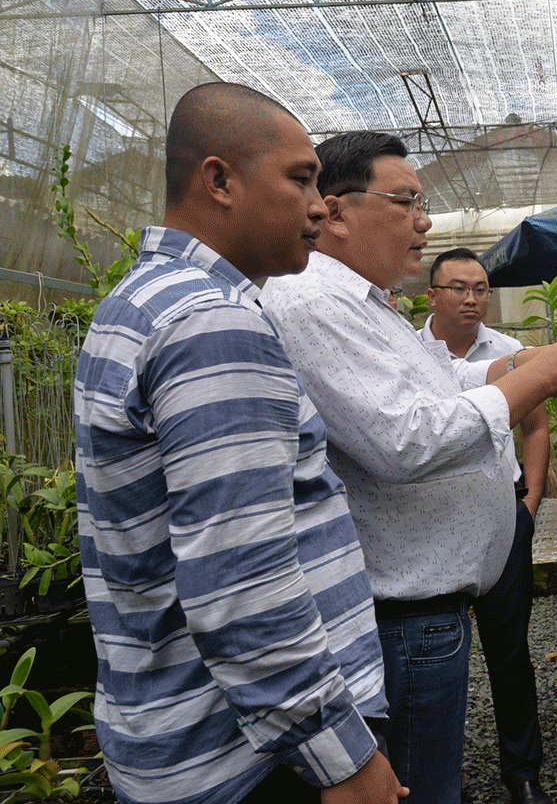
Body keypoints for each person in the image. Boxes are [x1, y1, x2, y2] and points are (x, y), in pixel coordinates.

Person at [260, 131, 557, 804]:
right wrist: (541, 378)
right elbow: (407, 438)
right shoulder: (315, 303)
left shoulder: (364, 303)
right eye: (406, 202)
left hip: (425, 613)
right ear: (336, 212)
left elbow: (445, 385)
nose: (425, 221)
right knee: (424, 790)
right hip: (405, 615)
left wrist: (541, 361)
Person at [73, 82, 405, 804]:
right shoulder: (211, 323)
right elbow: (240, 583)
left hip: (174, 737)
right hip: (252, 761)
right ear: (219, 180)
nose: (320, 205)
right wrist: (340, 757)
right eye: (300, 178)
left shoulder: (134, 303)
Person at [418, 248, 551, 801]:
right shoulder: (406, 349)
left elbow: (537, 429)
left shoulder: (512, 352)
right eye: (458, 288)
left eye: (481, 288)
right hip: (434, 519)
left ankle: (522, 773)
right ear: (433, 294)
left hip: (505, 512)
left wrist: (533, 501)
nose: (472, 298)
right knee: (429, 648)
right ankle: (437, 772)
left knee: (509, 646)